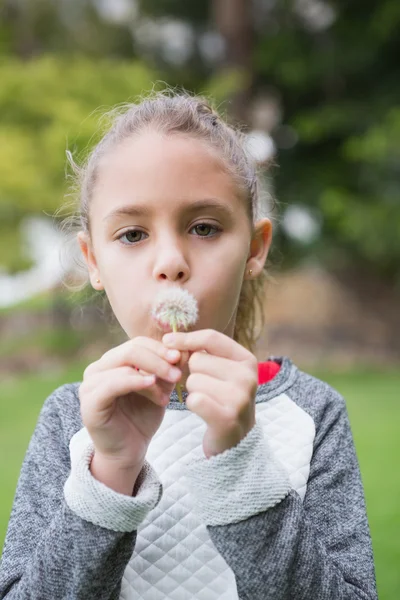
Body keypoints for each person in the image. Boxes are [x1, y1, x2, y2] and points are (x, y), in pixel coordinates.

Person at [0, 90, 378, 600]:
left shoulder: (314, 414)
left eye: (204, 227)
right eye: (133, 235)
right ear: (91, 259)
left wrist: (242, 464)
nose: (171, 261)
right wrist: (109, 473)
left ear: (255, 248)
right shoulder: (71, 421)